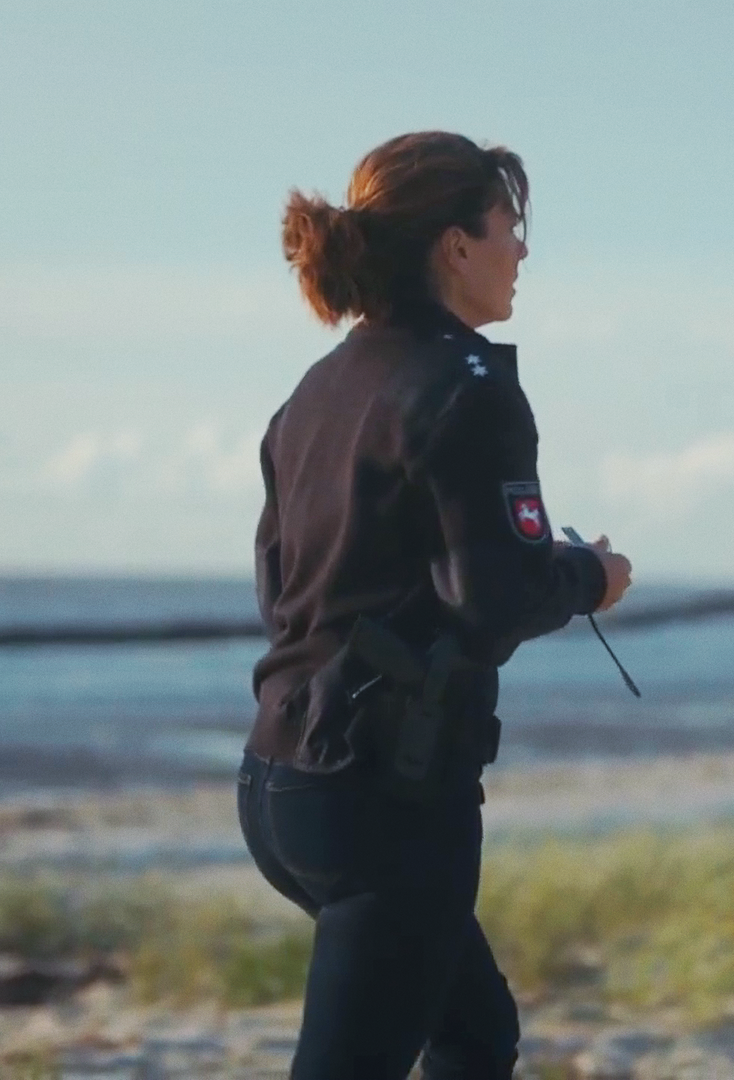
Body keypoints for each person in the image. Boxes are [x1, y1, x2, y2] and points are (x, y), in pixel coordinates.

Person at [236, 132, 634, 1079]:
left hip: (277, 785)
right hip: (389, 800)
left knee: (474, 1034)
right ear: (456, 246)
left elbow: (283, 589)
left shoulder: (316, 391)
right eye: (509, 226)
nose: (522, 250)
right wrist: (590, 577)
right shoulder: (470, 386)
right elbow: (491, 602)